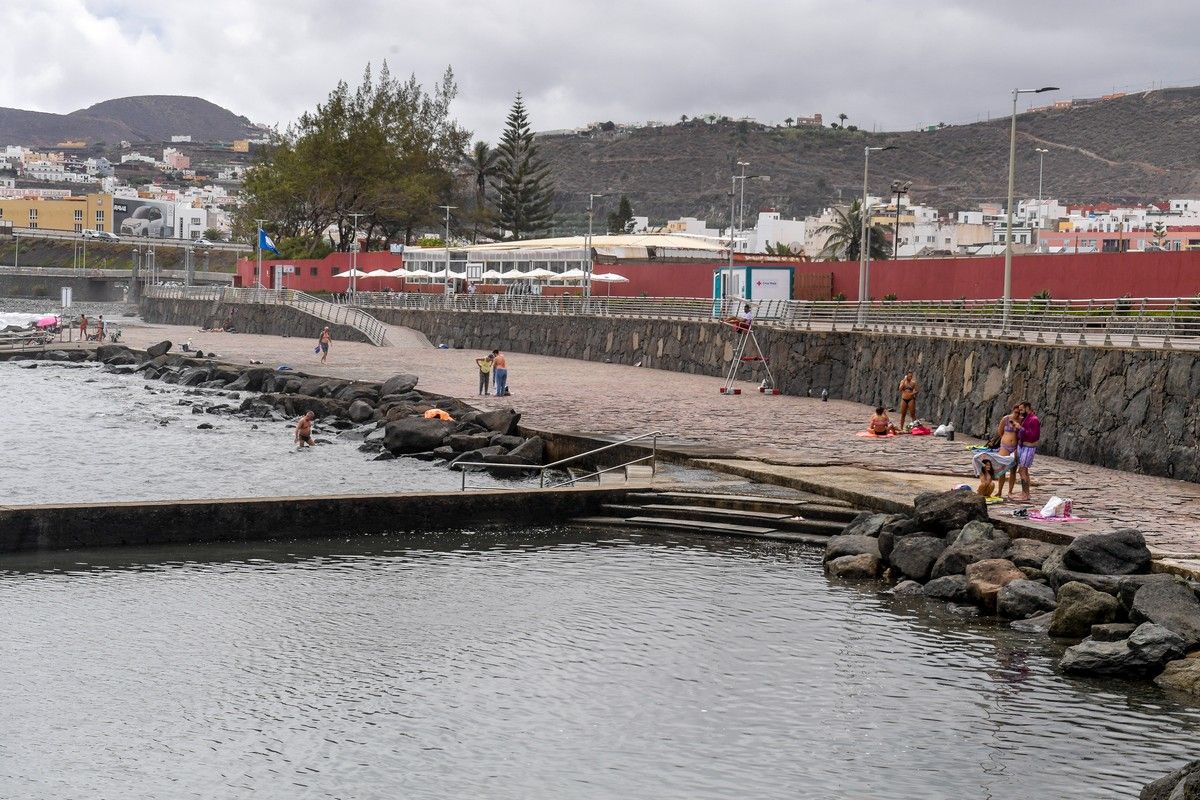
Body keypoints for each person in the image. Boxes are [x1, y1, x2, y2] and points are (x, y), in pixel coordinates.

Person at [994, 403, 1025, 499]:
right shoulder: (1006, 419)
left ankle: (1010, 491)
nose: (1017, 414)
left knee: (1013, 470)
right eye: (1015, 412)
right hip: (1005, 446)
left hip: (1015, 446)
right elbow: (1000, 431)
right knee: (1002, 469)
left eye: (1019, 413)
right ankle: (999, 491)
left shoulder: (1021, 420)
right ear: (1013, 411)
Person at [1017, 401, 1040, 501]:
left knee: (1022, 470)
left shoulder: (1034, 419)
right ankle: (1025, 493)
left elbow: (1033, 436)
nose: (1020, 412)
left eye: (1022, 409)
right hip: (1023, 446)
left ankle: (1025, 494)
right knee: (1024, 470)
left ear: (1027, 408)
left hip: (1029, 447)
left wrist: (1021, 428)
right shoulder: (1026, 418)